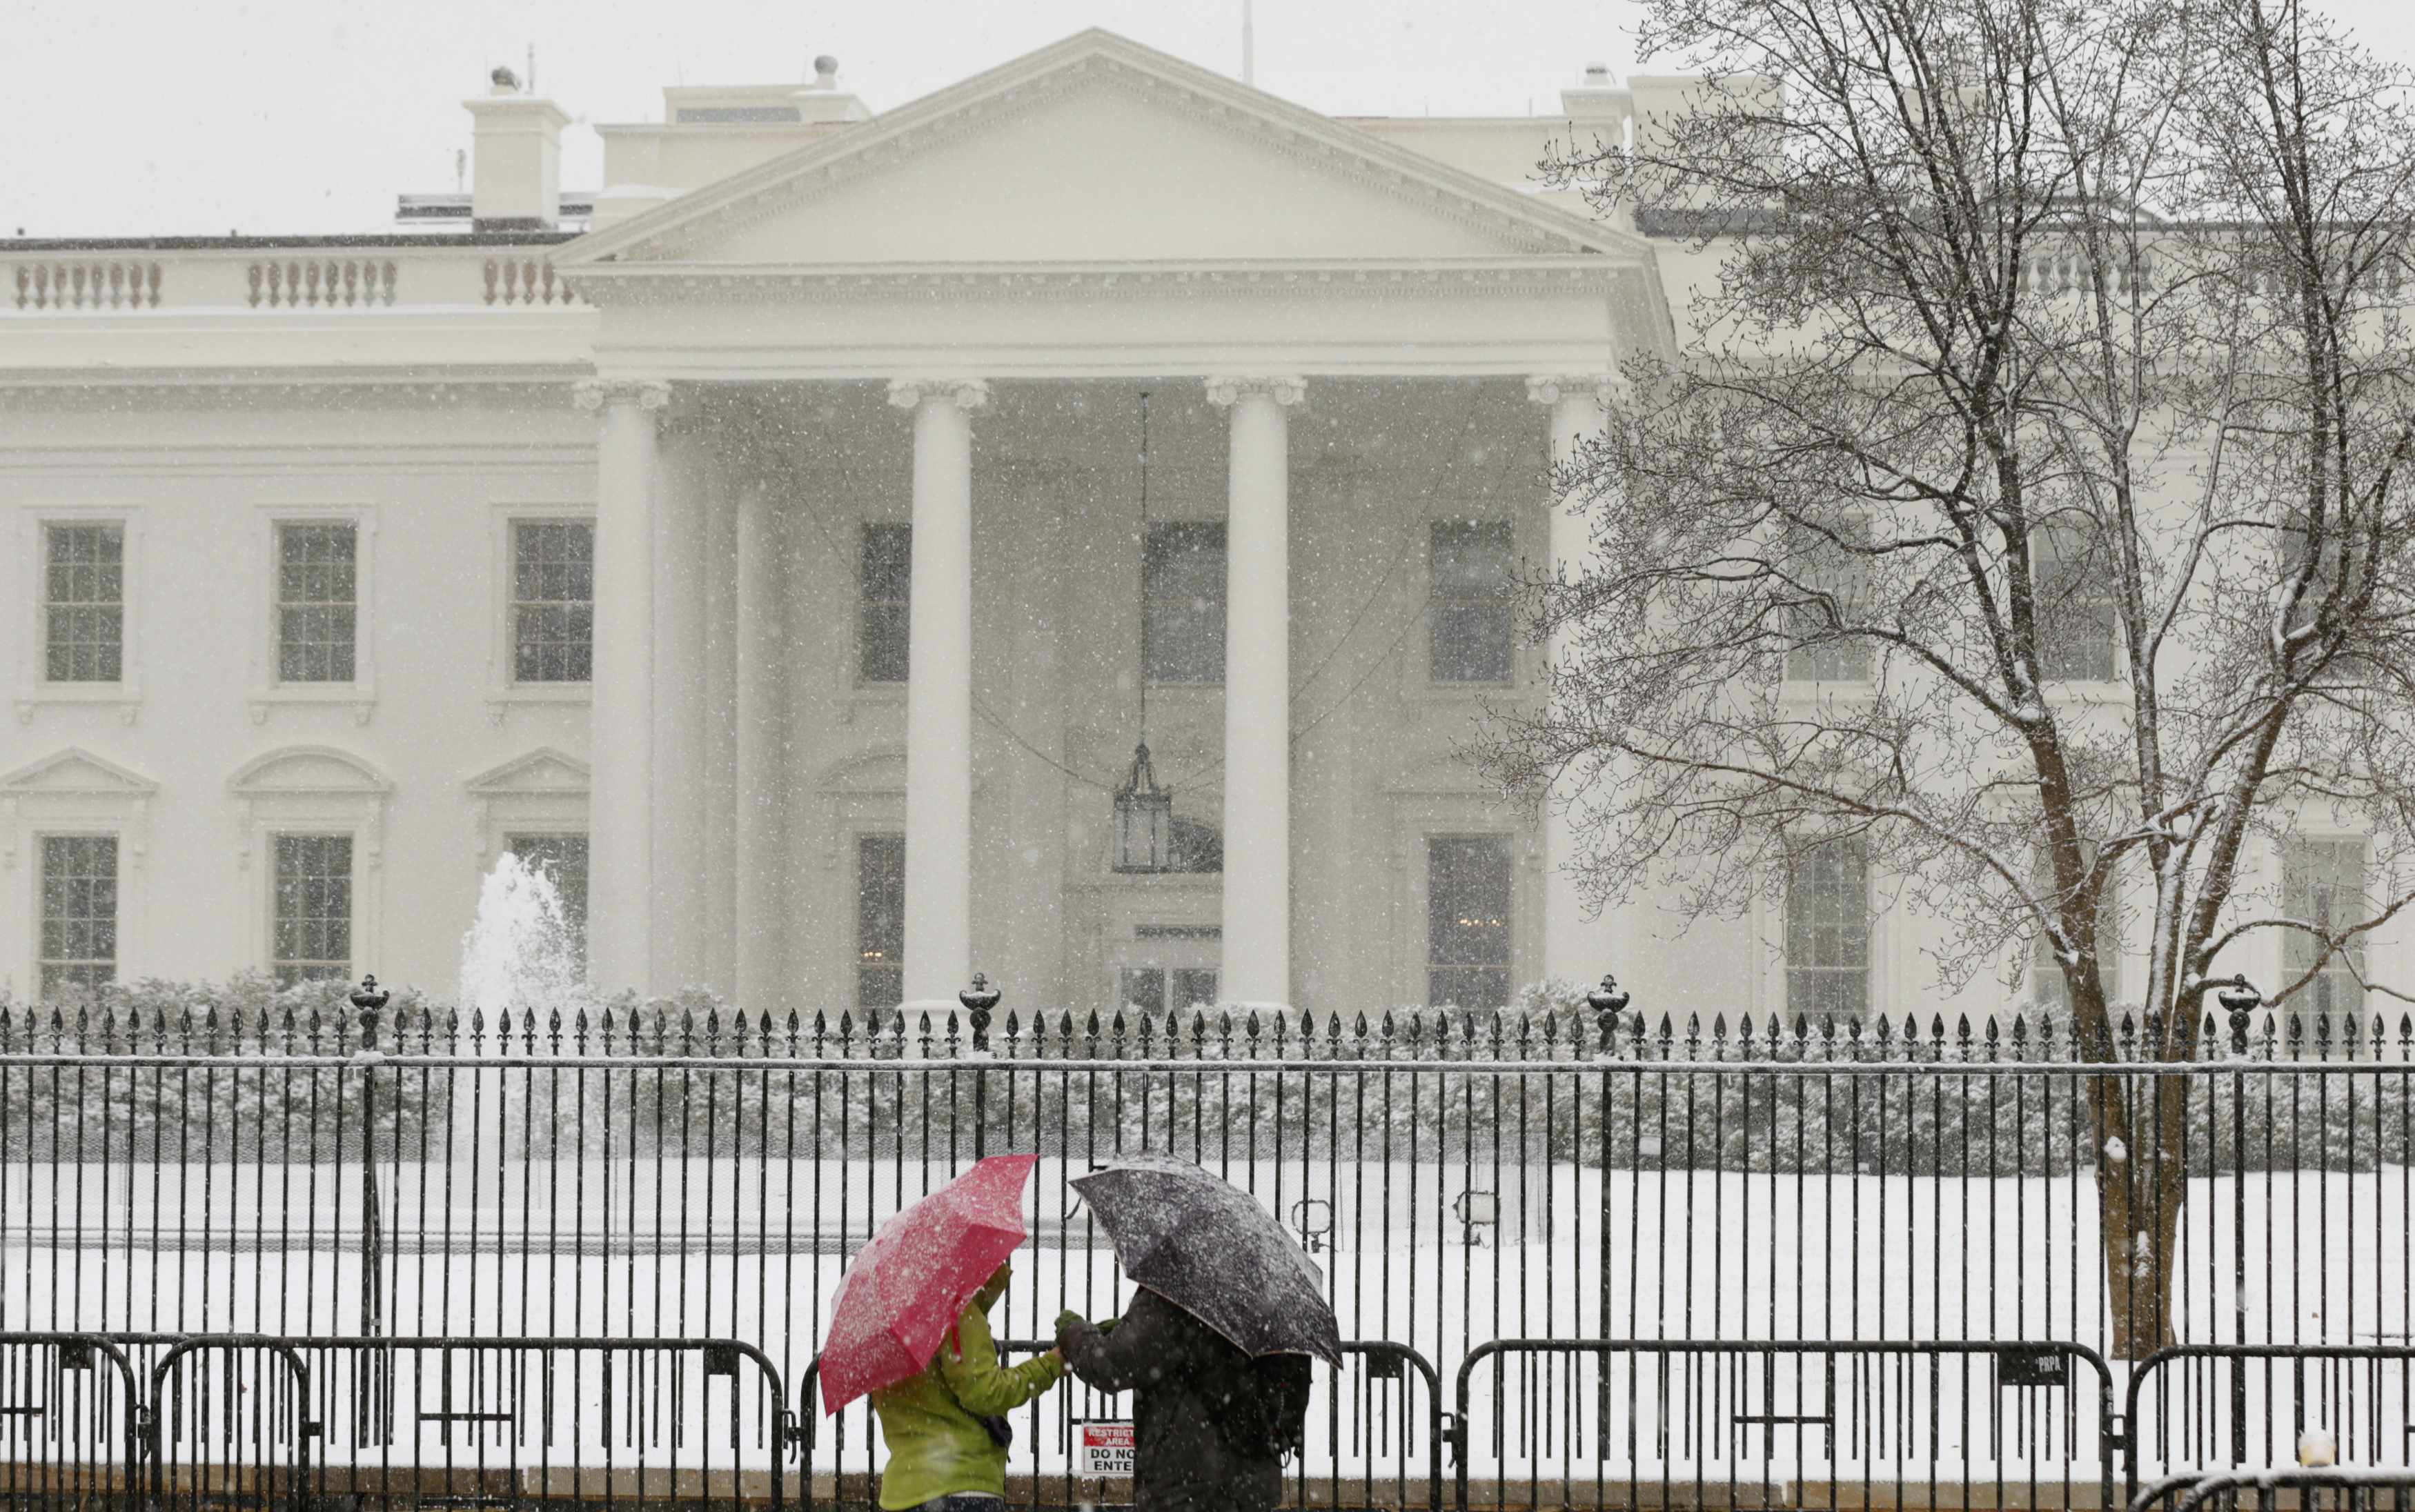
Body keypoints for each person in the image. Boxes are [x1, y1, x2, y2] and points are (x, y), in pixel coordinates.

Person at [1054, 1288, 1313, 1512]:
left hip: (1186, 1483)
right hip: (1252, 1483)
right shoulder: (1272, 1289)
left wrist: (1072, 1332)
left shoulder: (1178, 1287)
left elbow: (1112, 1364)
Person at [871, 1262, 1063, 1512]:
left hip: (901, 1494)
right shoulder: (954, 1311)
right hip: (962, 1485)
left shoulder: (887, 1328)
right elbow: (986, 1393)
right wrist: (1051, 1364)